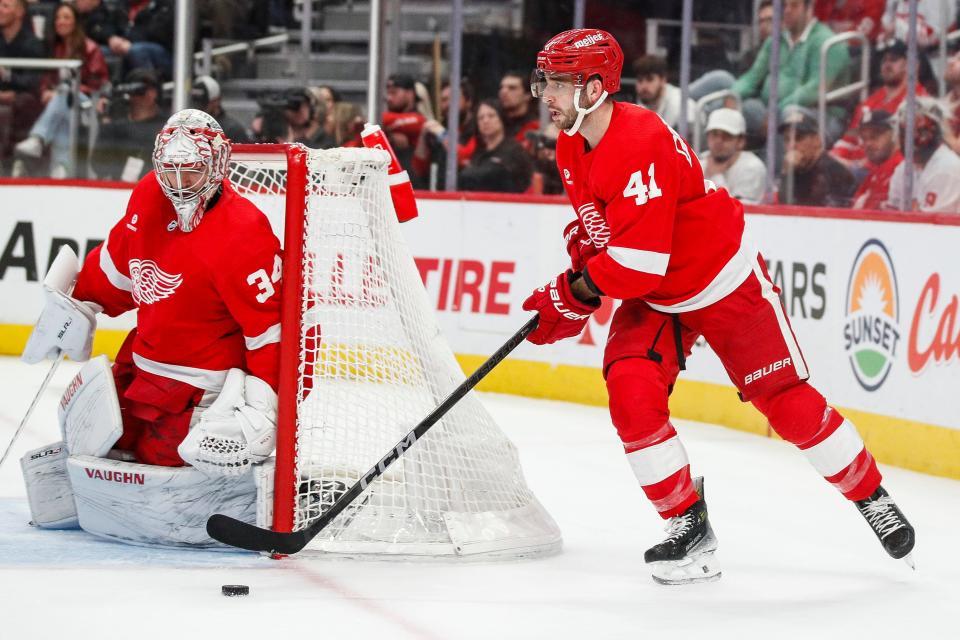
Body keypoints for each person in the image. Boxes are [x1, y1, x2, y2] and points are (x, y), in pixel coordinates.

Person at [526, 28, 915, 585]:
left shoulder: (640, 140)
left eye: (559, 84)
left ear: (594, 86)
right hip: (658, 297)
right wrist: (578, 269)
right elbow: (605, 232)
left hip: (721, 279)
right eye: (547, 82)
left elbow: (637, 265)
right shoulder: (571, 143)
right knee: (631, 392)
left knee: (784, 401)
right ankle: (686, 524)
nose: (548, 95)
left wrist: (573, 295)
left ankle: (870, 495)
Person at [25, 108, 281, 472]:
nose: (178, 181)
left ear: (218, 163)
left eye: (192, 168)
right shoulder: (149, 194)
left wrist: (266, 410)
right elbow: (117, 265)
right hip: (140, 370)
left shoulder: (244, 232)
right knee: (91, 441)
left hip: (200, 390)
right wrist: (78, 301)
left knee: (161, 463)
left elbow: (273, 335)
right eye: (170, 168)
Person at [731, 0, 850, 144]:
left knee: (789, 116)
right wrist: (733, 95)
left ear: (808, 8)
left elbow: (814, 89)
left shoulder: (828, 42)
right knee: (729, 93)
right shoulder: (775, 39)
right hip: (772, 108)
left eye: (794, 5)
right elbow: (752, 77)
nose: (787, 11)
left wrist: (777, 111)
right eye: (783, 6)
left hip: (821, 115)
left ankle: (777, 166)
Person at [13, 2, 108, 178]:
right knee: (64, 107)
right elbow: (45, 77)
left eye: (66, 17)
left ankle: (38, 138)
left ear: (75, 22)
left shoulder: (90, 48)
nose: (60, 22)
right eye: (57, 18)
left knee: (65, 91)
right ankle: (61, 168)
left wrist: (61, 91)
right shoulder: (53, 48)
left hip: (86, 102)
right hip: (63, 104)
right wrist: (45, 91)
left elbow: (98, 83)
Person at [830, 39, 924, 172]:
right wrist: (834, 157)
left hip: (885, 171)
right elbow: (850, 138)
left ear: (912, 65)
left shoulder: (920, 102)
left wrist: (857, 165)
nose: (887, 64)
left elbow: (905, 150)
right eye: (884, 60)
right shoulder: (870, 101)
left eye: (894, 60)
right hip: (854, 169)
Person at [91, 68, 167, 181]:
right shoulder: (117, 126)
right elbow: (99, 167)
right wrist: (105, 123)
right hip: (120, 189)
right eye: (140, 90)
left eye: (150, 89)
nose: (147, 94)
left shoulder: (166, 127)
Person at [887, 96, 960, 212]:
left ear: (937, 132)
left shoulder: (947, 167)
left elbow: (930, 226)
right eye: (906, 133)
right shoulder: (903, 169)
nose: (914, 139)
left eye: (922, 131)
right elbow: (890, 214)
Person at [778, 105, 855, 206]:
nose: (791, 145)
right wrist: (787, 173)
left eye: (799, 138)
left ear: (817, 140)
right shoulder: (794, 168)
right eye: (787, 139)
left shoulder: (836, 174)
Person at [0, 0, 45, 173]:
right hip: (4, 98)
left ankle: (8, 162)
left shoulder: (33, 44)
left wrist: (7, 75)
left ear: (19, 12)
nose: (0, 10)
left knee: (14, 107)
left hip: (23, 99)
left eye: (5, 6)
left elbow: (34, 81)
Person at [459, 98, 532, 193]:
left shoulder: (514, 150)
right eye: (480, 118)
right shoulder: (478, 153)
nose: (485, 121)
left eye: (491, 116)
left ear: (501, 118)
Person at [699, 108, 766, 204]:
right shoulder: (699, 163)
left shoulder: (752, 168)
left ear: (741, 141)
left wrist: (717, 175)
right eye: (714, 134)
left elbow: (740, 212)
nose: (718, 141)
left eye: (726, 136)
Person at [851, 109, 901, 210]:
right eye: (864, 138)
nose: (868, 143)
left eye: (875, 136)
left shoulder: (902, 168)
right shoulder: (876, 170)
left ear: (895, 135)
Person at [633, 55, 696, 134]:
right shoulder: (641, 105)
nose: (644, 86)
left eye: (650, 79)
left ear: (663, 80)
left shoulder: (680, 104)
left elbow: (690, 141)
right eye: (640, 80)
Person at [382, 73, 426, 172]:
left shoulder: (418, 120)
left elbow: (383, 120)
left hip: (416, 182)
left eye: (394, 93)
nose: (388, 98)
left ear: (410, 93)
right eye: (388, 93)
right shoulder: (389, 124)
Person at [192, 75, 250, 144]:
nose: (199, 109)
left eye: (203, 104)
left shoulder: (233, 130)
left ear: (216, 101)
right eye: (196, 104)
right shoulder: (190, 127)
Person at [498, 70, 540, 146]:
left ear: (527, 95)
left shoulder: (536, 128)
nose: (503, 91)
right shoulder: (494, 122)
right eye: (501, 87)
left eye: (512, 88)